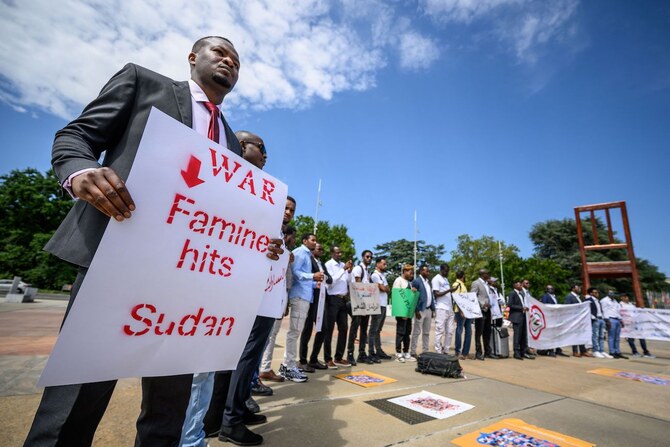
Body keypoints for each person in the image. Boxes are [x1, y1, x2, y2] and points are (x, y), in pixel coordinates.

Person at [24, 36, 281, 447]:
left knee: (168, 410)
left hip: (186, 284)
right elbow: (75, 137)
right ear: (193, 58)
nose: (230, 60)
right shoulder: (144, 83)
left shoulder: (232, 144)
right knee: (77, 399)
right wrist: (81, 172)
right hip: (118, 260)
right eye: (220, 52)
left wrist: (257, 243)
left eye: (237, 59)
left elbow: (227, 216)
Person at [259, 197, 297, 383]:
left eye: (292, 210)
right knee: (262, 339)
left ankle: (257, 375)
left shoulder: (286, 253)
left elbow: (285, 280)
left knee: (268, 337)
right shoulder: (269, 235)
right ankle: (260, 372)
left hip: (278, 299)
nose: (288, 212)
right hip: (263, 298)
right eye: (286, 208)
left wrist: (284, 302)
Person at [280, 233, 324, 381]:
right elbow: (295, 272)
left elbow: (302, 278)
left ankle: (288, 365)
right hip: (298, 296)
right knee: (294, 332)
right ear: (305, 241)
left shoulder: (308, 254)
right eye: (313, 240)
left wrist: (314, 282)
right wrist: (312, 276)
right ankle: (289, 366)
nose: (315, 242)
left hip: (304, 295)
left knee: (295, 332)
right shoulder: (301, 252)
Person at [299, 243, 333, 370]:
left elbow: (330, 280)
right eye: (319, 248)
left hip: (322, 299)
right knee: (307, 330)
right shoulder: (308, 261)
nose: (321, 251)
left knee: (323, 328)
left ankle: (313, 359)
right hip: (311, 297)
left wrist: (325, 276)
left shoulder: (321, 263)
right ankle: (302, 360)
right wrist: (316, 279)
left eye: (323, 249)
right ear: (313, 250)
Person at [324, 246, 353, 367]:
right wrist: (343, 269)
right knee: (329, 329)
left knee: (344, 328)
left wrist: (349, 272)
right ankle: (327, 358)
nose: (340, 254)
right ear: (332, 253)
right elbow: (331, 281)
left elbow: (348, 282)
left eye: (341, 252)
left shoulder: (343, 265)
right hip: (332, 299)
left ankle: (339, 357)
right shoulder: (328, 265)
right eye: (337, 252)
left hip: (343, 300)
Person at [347, 250, 373, 365]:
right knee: (354, 329)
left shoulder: (367, 272)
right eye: (367, 256)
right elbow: (357, 286)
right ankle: (350, 353)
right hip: (358, 302)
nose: (369, 258)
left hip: (366, 303)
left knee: (363, 330)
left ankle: (362, 353)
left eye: (371, 257)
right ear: (362, 257)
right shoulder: (359, 269)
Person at [392, 264, 417, 362]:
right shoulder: (398, 281)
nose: (412, 275)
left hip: (408, 313)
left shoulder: (409, 283)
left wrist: (413, 292)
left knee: (407, 332)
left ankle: (406, 352)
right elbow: (396, 297)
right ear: (405, 271)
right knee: (400, 332)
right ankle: (398, 353)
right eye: (410, 273)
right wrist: (401, 313)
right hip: (401, 313)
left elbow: (408, 297)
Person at [368, 257, 392, 362]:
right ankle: (371, 351)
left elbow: (388, 289)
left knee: (378, 329)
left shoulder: (383, 276)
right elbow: (383, 288)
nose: (385, 266)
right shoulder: (375, 275)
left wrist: (384, 288)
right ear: (377, 264)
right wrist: (384, 288)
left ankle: (378, 350)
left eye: (386, 264)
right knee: (374, 329)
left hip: (383, 304)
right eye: (383, 264)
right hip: (377, 304)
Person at [410, 265, 435, 357]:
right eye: (426, 271)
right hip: (420, 310)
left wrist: (433, 309)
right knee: (416, 331)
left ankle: (425, 351)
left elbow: (430, 296)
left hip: (428, 310)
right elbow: (414, 297)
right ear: (421, 271)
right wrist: (416, 310)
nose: (428, 273)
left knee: (426, 332)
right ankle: (413, 351)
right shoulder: (416, 281)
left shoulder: (428, 282)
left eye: (428, 271)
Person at [620, 294, 655, 358]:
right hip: (628, 324)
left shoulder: (632, 305)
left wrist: (641, 310)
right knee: (630, 338)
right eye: (624, 297)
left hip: (636, 323)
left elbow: (636, 313)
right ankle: (634, 351)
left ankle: (645, 352)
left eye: (627, 296)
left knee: (641, 337)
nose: (626, 298)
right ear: (621, 298)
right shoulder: (620, 305)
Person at [432, 264, 457, 354]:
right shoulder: (436, 279)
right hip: (441, 308)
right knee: (440, 331)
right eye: (446, 271)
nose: (447, 273)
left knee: (450, 331)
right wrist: (449, 290)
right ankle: (438, 351)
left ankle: (446, 350)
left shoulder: (446, 279)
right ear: (441, 270)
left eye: (448, 271)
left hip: (449, 308)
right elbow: (436, 294)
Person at [508, 281, 534, 360]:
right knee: (517, 335)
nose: (520, 286)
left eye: (520, 285)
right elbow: (510, 304)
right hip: (516, 316)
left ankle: (523, 351)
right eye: (519, 285)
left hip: (523, 316)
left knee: (523, 335)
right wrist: (521, 308)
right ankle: (516, 352)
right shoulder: (512, 293)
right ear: (515, 286)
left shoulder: (521, 294)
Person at [540, 285, 568, 357]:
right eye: (549, 288)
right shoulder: (545, 296)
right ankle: (551, 350)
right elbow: (545, 306)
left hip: (556, 318)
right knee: (551, 334)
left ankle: (558, 349)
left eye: (552, 288)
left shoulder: (555, 297)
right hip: (550, 317)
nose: (551, 289)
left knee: (557, 334)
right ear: (546, 290)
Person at [471, 269, 493, 360]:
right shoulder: (476, 283)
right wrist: (481, 304)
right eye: (487, 273)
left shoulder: (487, 284)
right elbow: (473, 296)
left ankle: (487, 352)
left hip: (488, 310)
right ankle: (478, 352)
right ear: (483, 274)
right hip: (480, 310)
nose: (489, 275)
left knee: (487, 332)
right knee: (479, 332)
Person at [564, 284, 591, 357]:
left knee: (581, 334)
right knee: (575, 335)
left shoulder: (580, 297)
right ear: (573, 289)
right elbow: (568, 307)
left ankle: (583, 350)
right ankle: (575, 351)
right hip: (574, 319)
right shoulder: (569, 296)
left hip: (581, 319)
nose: (579, 289)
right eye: (577, 288)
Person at [601, 290, 628, 359]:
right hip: (610, 319)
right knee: (611, 337)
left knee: (617, 337)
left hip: (617, 319)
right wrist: (607, 320)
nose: (613, 294)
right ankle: (612, 352)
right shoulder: (604, 300)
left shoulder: (615, 301)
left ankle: (617, 351)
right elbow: (604, 310)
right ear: (608, 294)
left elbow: (618, 311)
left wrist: (621, 320)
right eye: (611, 293)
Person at [452, 270, 471, 360]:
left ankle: (465, 352)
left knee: (469, 331)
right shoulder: (457, 285)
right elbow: (456, 298)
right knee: (459, 330)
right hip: (460, 312)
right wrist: (461, 311)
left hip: (466, 311)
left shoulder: (462, 285)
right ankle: (457, 351)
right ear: (463, 276)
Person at [584, 287, 609, 359]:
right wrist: (593, 317)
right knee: (595, 335)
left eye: (597, 292)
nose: (597, 294)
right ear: (591, 293)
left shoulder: (598, 301)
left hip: (601, 319)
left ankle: (602, 350)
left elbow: (601, 310)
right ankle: (595, 350)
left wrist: (604, 318)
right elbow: (587, 310)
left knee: (601, 336)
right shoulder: (588, 300)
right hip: (595, 319)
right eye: (595, 292)